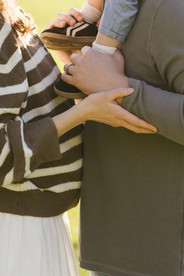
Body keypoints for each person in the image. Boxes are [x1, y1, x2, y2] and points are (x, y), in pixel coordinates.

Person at [0, 1, 156, 276]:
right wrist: (83, 112)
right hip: (18, 232)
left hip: (38, 224)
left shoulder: (8, 11)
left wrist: (75, 65)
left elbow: (32, 109)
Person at [49, 0, 184, 275]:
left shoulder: (169, 10)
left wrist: (120, 87)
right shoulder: (116, 13)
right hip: (119, 247)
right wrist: (83, 67)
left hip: (163, 256)